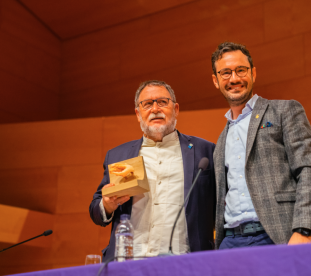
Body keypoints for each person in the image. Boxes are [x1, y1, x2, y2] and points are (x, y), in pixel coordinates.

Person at [211, 42, 311, 250]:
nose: (234, 78)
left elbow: (308, 171)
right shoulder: (220, 141)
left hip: (281, 233)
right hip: (231, 242)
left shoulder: (284, 111)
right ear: (216, 81)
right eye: (225, 73)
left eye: (241, 70)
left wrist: (303, 229)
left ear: (253, 73)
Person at [89, 80, 216, 261]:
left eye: (163, 102)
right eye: (147, 104)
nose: (155, 109)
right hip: (130, 264)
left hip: (186, 262)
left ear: (176, 109)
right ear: (138, 114)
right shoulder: (119, 155)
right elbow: (96, 210)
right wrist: (107, 206)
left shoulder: (205, 151)